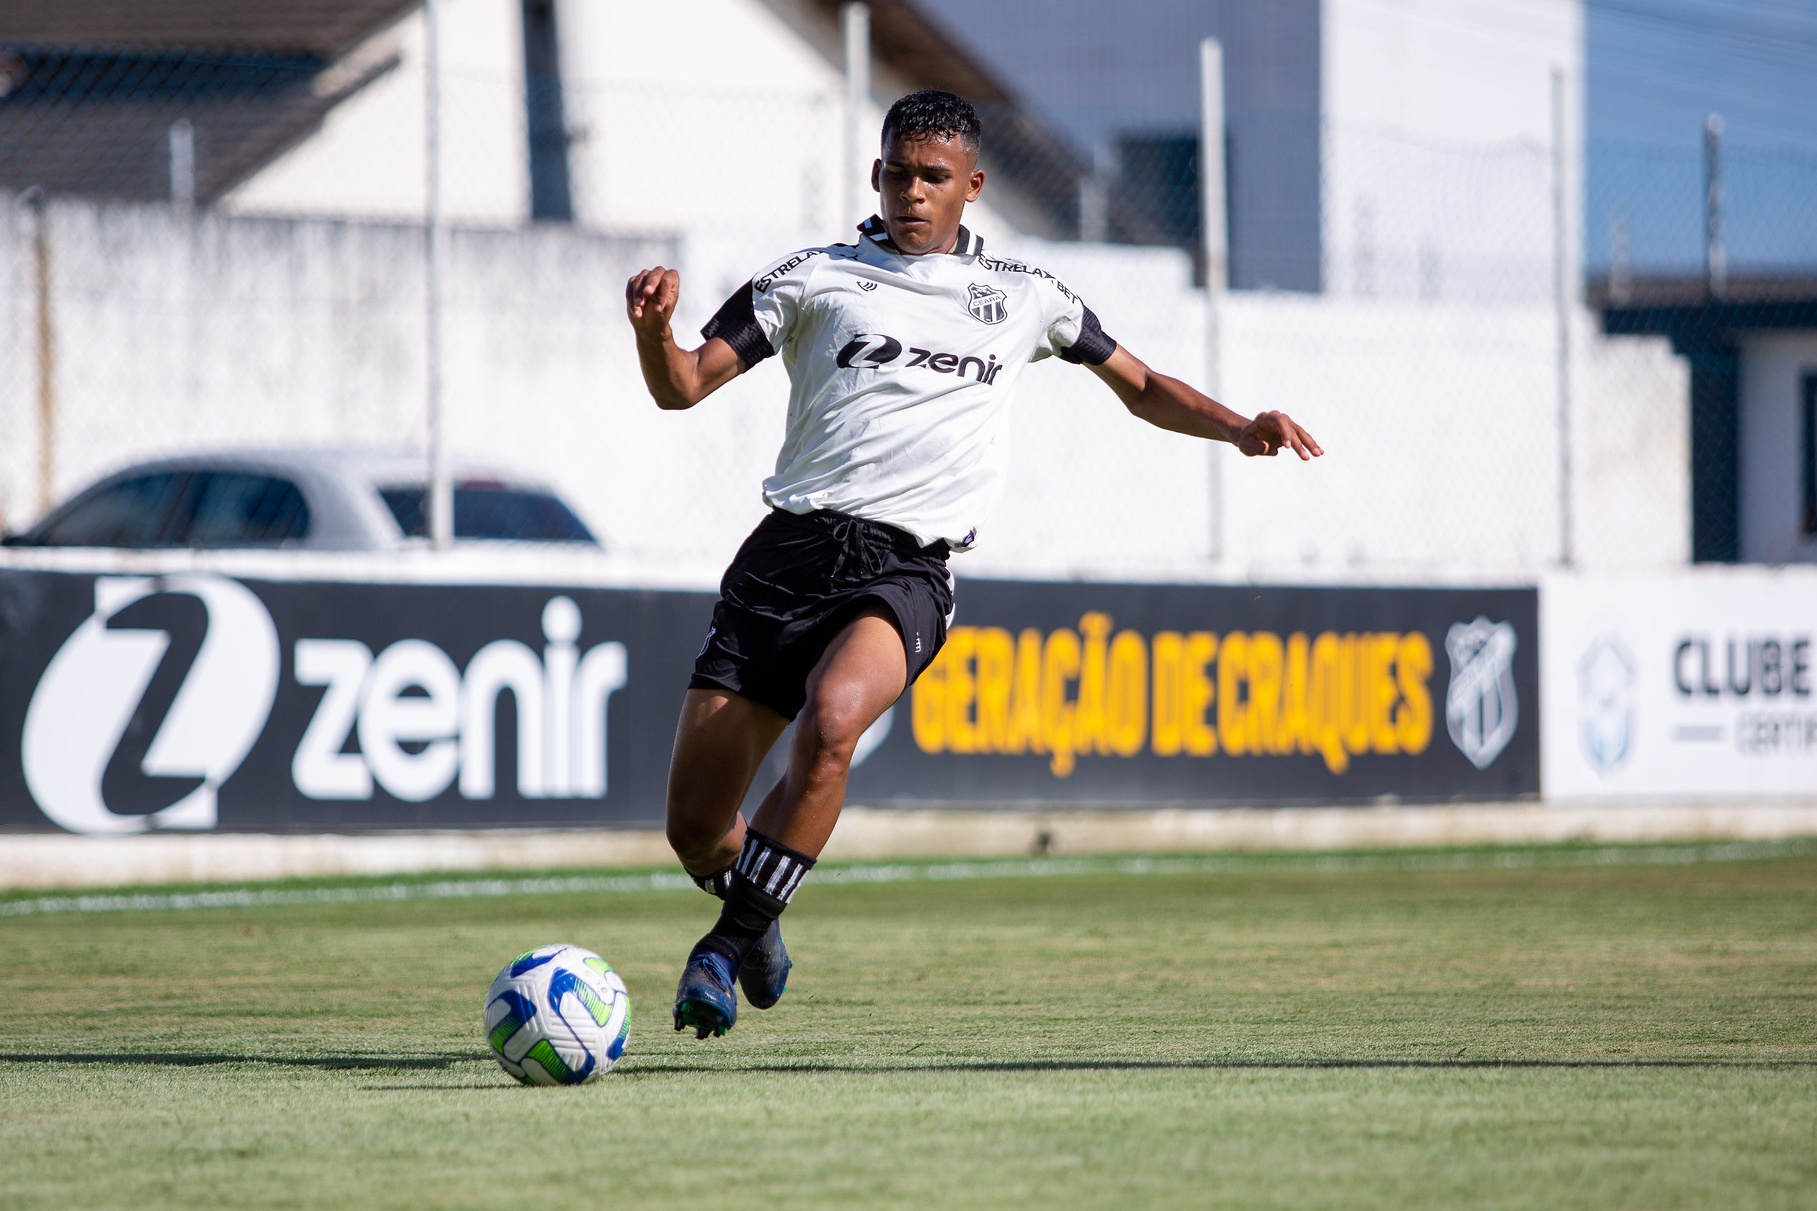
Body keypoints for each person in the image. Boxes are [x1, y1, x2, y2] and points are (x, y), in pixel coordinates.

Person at [625, 89, 1321, 1040]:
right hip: (785, 557)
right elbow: (686, 385)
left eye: (934, 178)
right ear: (876, 174)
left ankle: (724, 941)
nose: (913, 192)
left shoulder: (1028, 295)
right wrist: (650, 335)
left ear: (973, 188)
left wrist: (1240, 425)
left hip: (904, 567)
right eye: (898, 173)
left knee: (832, 724)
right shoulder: (813, 277)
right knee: (695, 828)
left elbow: (1144, 385)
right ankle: (760, 908)